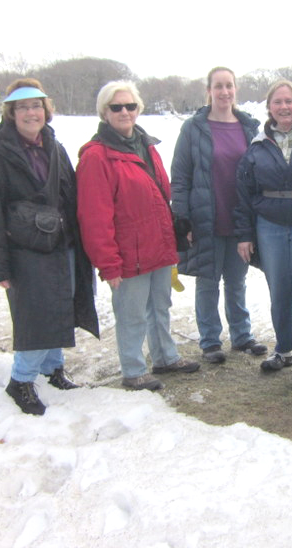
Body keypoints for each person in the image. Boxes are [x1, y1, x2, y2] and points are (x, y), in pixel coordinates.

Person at [0, 78, 99, 416]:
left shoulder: (54, 147)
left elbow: (70, 196)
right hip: (24, 251)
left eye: (37, 106)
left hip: (63, 245)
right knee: (36, 315)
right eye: (24, 107)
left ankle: (52, 369)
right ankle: (21, 380)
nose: (32, 112)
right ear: (11, 113)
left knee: (62, 306)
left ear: (46, 110)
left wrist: (85, 244)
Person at [76, 81, 199, 392]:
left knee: (160, 305)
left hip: (157, 244)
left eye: (130, 106)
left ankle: (165, 357)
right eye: (116, 107)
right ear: (104, 112)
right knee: (131, 314)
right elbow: (94, 216)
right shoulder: (96, 156)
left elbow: (161, 194)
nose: (125, 112)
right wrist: (109, 263)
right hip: (129, 251)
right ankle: (133, 370)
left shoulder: (147, 144)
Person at [171, 67, 267, 364]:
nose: (224, 92)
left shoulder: (250, 126)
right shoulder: (193, 128)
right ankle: (210, 341)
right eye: (218, 86)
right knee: (208, 282)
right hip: (205, 219)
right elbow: (180, 176)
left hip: (239, 220)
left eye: (229, 86)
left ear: (235, 89)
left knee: (237, 282)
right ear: (209, 91)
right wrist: (182, 218)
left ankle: (241, 336)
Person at [235, 80, 292, 371]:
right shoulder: (258, 142)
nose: (284, 107)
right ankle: (284, 349)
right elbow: (244, 192)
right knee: (280, 290)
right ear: (269, 107)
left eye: (289, 101)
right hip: (269, 226)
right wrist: (245, 235)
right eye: (277, 102)